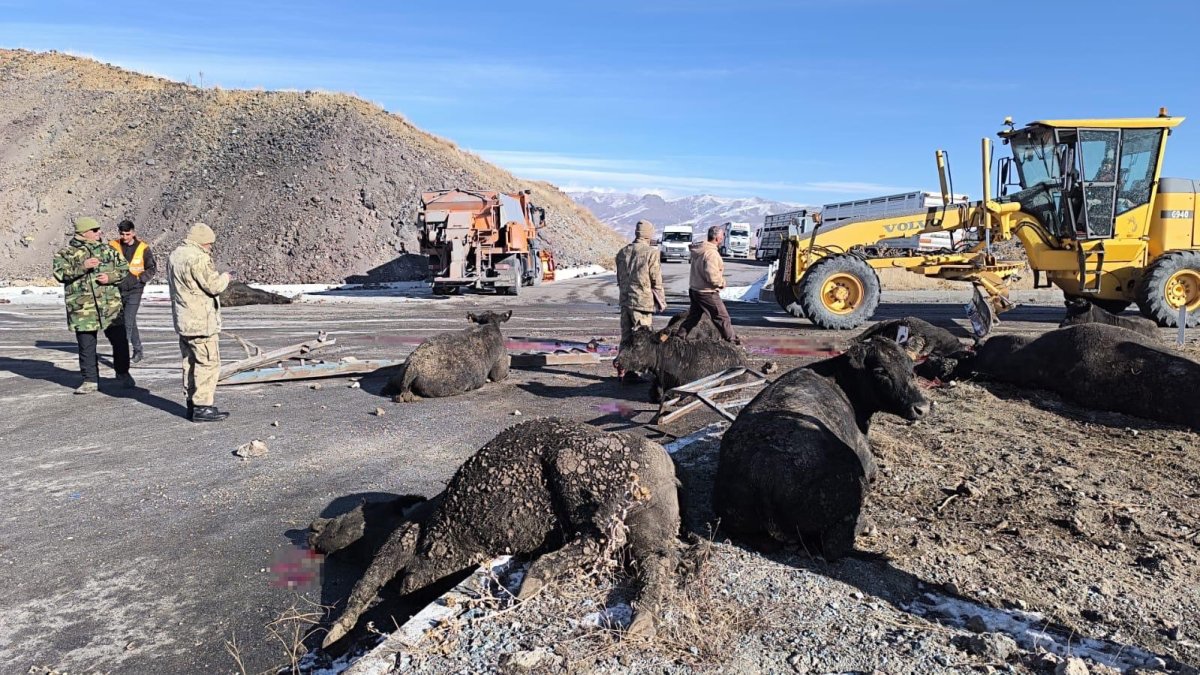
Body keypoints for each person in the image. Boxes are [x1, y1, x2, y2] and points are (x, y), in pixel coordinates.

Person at [51, 216, 135, 394]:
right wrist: (82, 266)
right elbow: (59, 273)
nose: (99, 233)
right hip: (83, 308)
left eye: (99, 230)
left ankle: (122, 372)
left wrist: (110, 277)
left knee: (120, 341)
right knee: (86, 345)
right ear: (84, 233)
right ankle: (89, 380)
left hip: (109, 306)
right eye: (95, 230)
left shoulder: (107, 250)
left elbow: (123, 268)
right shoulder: (66, 253)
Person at [168, 223, 231, 422]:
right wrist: (226, 278)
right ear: (203, 241)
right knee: (208, 363)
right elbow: (213, 286)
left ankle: (192, 403)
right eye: (209, 244)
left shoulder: (175, 255)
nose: (210, 248)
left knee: (190, 363)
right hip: (201, 321)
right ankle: (203, 406)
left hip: (184, 319)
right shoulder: (198, 258)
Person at [680, 225, 738, 343]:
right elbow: (712, 276)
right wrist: (721, 283)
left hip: (695, 289)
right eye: (722, 236)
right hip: (707, 292)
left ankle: (678, 337)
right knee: (722, 317)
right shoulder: (711, 253)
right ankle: (732, 342)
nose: (722, 239)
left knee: (693, 317)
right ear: (717, 238)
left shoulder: (700, 250)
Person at [111, 219, 157, 363]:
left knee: (127, 323)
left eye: (127, 234)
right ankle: (138, 350)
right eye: (122, 234)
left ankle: (122, 357)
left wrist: (140, 279)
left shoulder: (143, 248)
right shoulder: (113, 246)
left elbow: (152, 268)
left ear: (133, 233)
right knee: (129, 321)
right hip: (118, 289)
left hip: (135, 290)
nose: (125, 237)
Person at [614, 219, 666, 343]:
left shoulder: (622, 252)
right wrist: (661, 301)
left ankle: (622, 361)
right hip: (641, 303)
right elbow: (656, 280)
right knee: (642, 340)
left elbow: (619, 278)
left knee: (626, 339)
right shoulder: (651, 253)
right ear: (648, 234)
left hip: (625, 301)